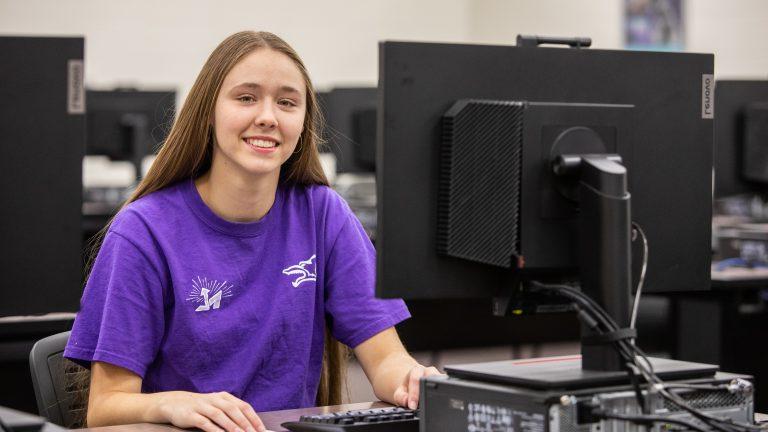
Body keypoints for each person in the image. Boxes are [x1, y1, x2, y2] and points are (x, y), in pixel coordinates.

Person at [64, 30, 440, 432]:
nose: (267, 116)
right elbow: (104, 408)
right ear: (208, 111)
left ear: (303, 121)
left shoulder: (322, 213)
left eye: (287, 102)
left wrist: (412, 381)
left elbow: (385, 360)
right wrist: (170, 405)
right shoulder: (143, 231)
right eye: (246, 97)